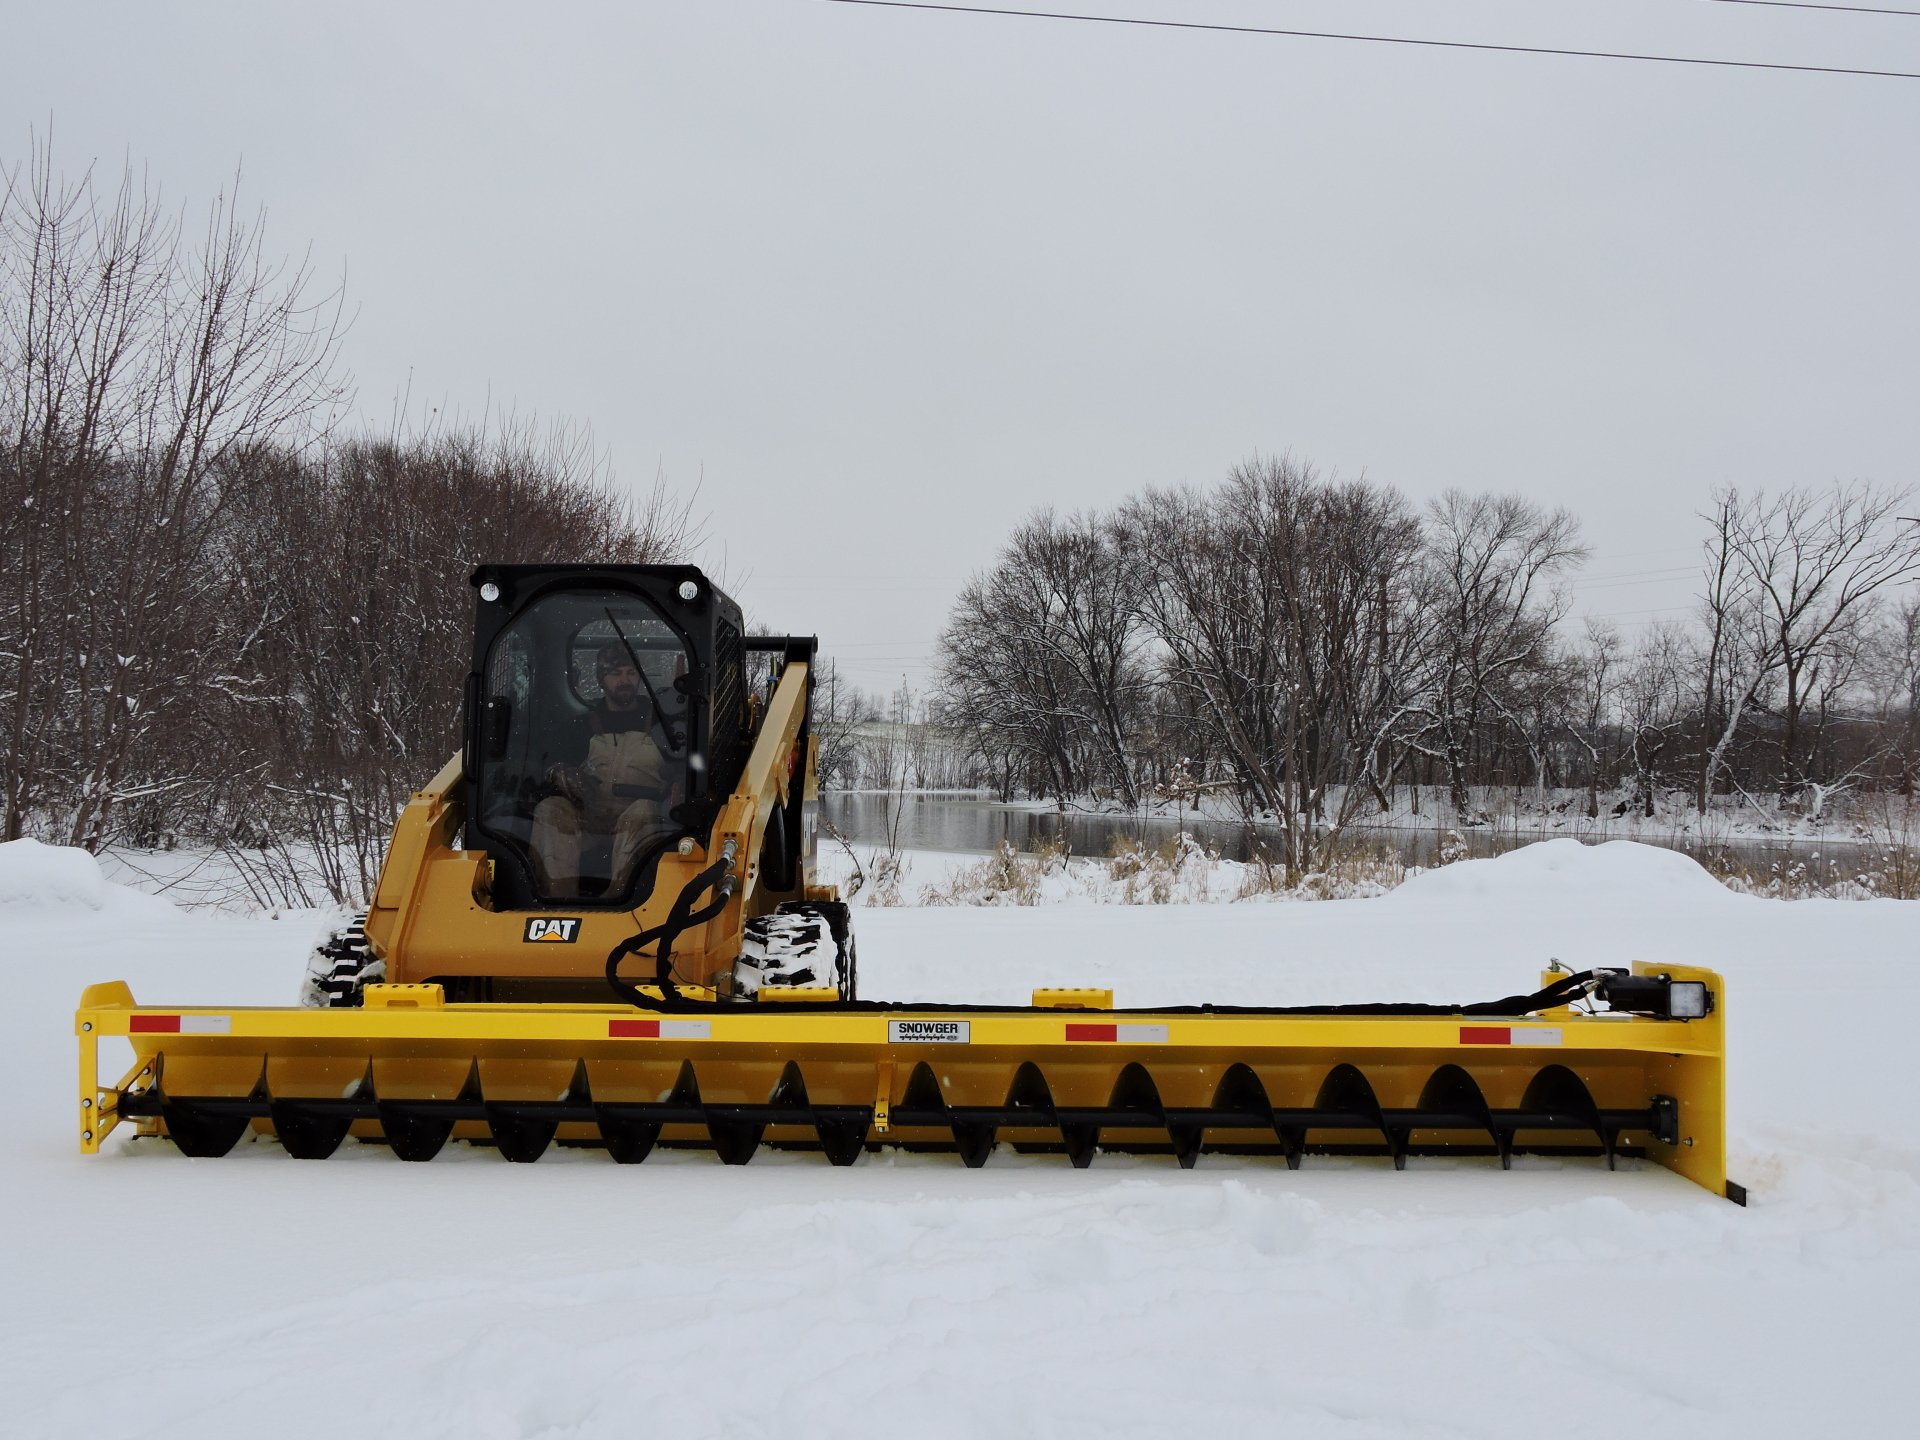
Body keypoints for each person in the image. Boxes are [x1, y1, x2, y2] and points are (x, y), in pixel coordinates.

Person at [530, 641, 674, 898]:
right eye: (616, 674)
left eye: (631, 673)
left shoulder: (663, 725)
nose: (625, 680)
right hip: (588, 820)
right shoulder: (581, 725)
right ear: (601, 679)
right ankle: (557, 901)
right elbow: (550, 766)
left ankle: (620, 901)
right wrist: (561, 775)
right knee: (551, 808)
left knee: (642, 811)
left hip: (642, 824)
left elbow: (680, 771)